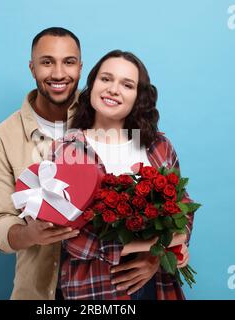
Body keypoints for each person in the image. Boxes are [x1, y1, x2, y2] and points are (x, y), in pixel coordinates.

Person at [0, 28, 161, 300]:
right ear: (32, 68)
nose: (57, 74)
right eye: (46, 62)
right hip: (41, 288)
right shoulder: (2, 139)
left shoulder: (106, 110)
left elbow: (151, 180)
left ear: (81, 67)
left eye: (68, 62)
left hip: (108, 285)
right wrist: (29, 234)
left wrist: (154, 255)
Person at [51, 50, 195, 300]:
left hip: (157, 284)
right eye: (106, 79)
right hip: (97, 288)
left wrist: (158, 257)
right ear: (92, 84)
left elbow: (183, 209)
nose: (113, 89)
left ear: (138, 96)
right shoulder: (70, 149)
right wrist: (157, 247)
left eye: (127, 85)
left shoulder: (158, 145)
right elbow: (73, 238)